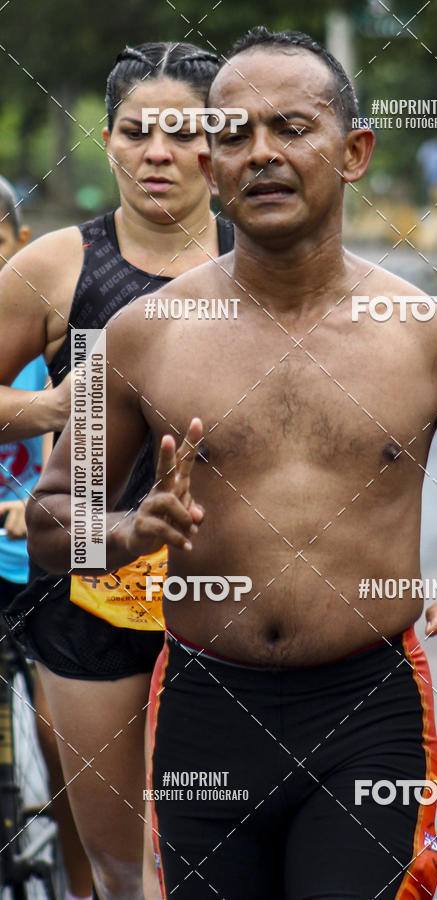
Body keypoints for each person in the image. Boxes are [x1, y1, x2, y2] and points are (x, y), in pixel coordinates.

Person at [27, 27, 437, 900]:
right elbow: (53, 521)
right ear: (212, 169)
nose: (261, 154)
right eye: (233, 134)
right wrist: (126, 530)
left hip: (370, 710)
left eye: (291, 128)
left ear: (354, 152)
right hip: (206, 708)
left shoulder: (431, 334)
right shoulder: (144, 335)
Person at [0, 43, 232, 900]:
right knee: (121, 867)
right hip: (90, 595)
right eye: (138, 133)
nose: (159, 153)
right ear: (108, 142)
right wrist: (57, 409)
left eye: (184, 131)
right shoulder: (58, 265)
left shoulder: (271, 253)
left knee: (220, 854)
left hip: (233, 595)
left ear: (221, 140)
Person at [0, 175, 95, 900]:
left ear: (20, 247)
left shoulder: (41, 333)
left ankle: (83, 866)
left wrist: (33, 502)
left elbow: (89, 451)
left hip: (37, 559)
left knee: (65, 742)